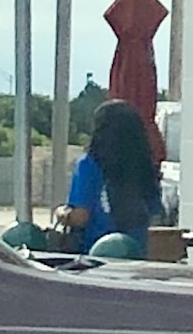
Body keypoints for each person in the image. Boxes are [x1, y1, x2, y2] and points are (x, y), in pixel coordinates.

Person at [55, 98, 161, 254]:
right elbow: (154, 212)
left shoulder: (89, 164)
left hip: (95, 253)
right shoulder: (144, 166)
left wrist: (62, 213)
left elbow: (81, 217)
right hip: (134, 253)